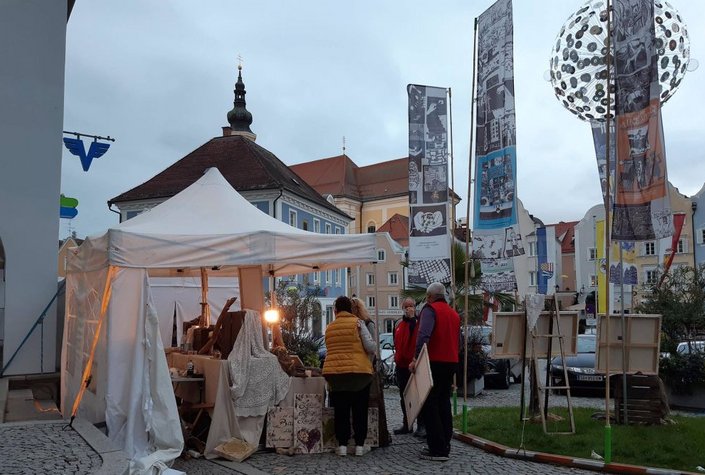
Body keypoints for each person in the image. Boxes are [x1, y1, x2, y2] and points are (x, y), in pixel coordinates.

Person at [410, 282, 460, 462]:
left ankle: (437, 448)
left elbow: (424, 335)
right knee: (444, 402)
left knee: (430, 404)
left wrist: (416, 358)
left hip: (435, 361)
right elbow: (458, 339)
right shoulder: (454, 314)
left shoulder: (429, 310)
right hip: (451, 361)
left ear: (429, 296)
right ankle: (445, 442)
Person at [322, 296, 376, 457]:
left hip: (336, 375)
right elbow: (370, 346)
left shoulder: (330, 327)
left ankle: (342, 445)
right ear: (351, 309)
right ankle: (359, 445)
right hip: (359, 374)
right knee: (360, 411)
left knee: (341, 411)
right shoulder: (358, 324)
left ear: (336, 310)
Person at [350, 297, 391, 447]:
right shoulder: (353, 324)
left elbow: (373, 347)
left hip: (367, 367)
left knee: (370, 402)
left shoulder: (367, 323)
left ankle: (375, 433)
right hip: (358, 367)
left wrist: (370, 364)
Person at [393, 297, 425, 437]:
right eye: (406, 306)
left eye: (410, 306)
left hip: (414, 365)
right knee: (404, 396)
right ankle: (407, 423)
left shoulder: (418, 323)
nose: (408, 309)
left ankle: (421, 425)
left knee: (418, 396)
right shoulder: (399, 324)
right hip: (401, 365)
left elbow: (417, 337)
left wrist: (413, 319)